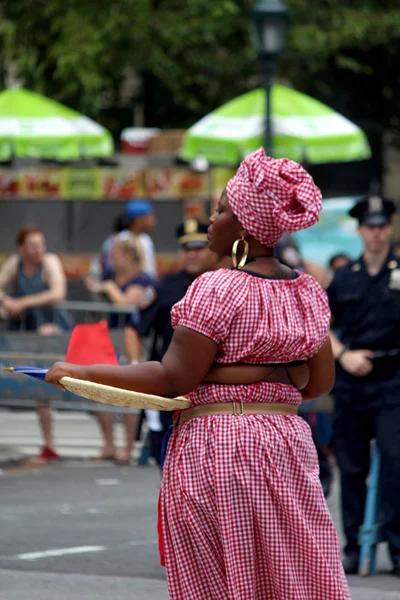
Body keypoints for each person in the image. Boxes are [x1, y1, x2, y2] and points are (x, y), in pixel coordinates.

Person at [45, 148, 350, 600]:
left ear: (245, 227)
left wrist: (79, 371)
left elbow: (174, 378)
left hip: (219, 447)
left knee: (220, 581)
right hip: (287, 445)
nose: (210, 219)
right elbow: (319, 384)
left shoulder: (217, 287)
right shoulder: (306, 291)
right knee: (291, 574)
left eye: (221, 210)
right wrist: (273, 368)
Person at [327, 194, 400, 577]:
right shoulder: (345, 276)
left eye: (382, 226)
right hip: (353, 381)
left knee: (395, 464)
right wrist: (343, 356)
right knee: (352, 469)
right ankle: (354, 546)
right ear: (359, 230)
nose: (376, 232)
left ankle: (398, 547)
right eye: (370, 226)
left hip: (393, 381)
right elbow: (322, 326)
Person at [124, 217, 220, 466]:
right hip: (170, 388)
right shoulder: (165, 287)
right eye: (187, 249)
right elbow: (134, 329)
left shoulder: (226, 284)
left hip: (214, 387)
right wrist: (136, 366)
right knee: (168, 462)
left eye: (199, 248)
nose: (192, 255)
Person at [0, 225, 70, 461]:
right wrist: (7, 302)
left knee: (80, 383)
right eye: (33, 246)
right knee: (41, 386)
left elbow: (58, 292)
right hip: (31, 334)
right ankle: (49, 444)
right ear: (21, 248)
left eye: (41, 244)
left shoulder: (49, 262)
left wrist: (21, 303)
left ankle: (110, 444)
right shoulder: (15, 263)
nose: (38, 250)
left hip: (56, 331)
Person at [86, 234, 154, 464]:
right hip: (106, 339)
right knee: (99, 391)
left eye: (115, 256)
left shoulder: (143, 279)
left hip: (130, 342)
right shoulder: (110, 275)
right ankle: (108, 444)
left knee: (127, 396)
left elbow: (125, 302)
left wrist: (107, 287)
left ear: (128, 256)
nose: (111, 260)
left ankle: (127, 448)